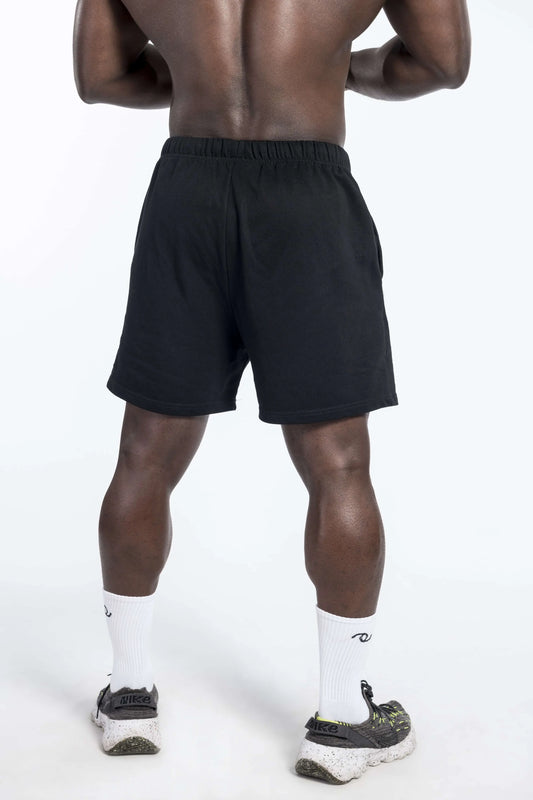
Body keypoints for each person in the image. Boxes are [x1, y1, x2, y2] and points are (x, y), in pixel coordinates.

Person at [73, 0, 471, 782]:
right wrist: (340, 67)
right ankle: (344, 721)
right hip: (306, 197)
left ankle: (128, 696)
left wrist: (198, 73)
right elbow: (439, 61)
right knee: (338, 465)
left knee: (144, 454)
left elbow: (101, 77)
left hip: (187, 192)